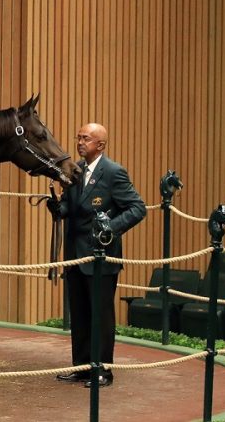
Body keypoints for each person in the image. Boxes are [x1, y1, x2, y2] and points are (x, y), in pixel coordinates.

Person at [49, 123, 146, 388]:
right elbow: (71, 207)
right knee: (79, 314)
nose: (80, 142)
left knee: (100, 315)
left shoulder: (113, 172)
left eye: (86, 139)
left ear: (100, 145)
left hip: (100, 256)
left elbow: (137, 208)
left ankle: (103, 370)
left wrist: (110, 228)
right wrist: (58, 207)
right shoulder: (75, 170)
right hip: (75, 256)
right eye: (78, 137)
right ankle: (82, 367)